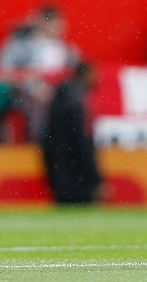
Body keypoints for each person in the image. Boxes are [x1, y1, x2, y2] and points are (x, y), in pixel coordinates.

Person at [41, 61, 104, 205]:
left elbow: (49, 139)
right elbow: (82, 144)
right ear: (86, 75)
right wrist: (95, 179)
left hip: (60, 174)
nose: (97, 79)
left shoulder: (62, 98)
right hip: (76, 177)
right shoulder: (77, 102)